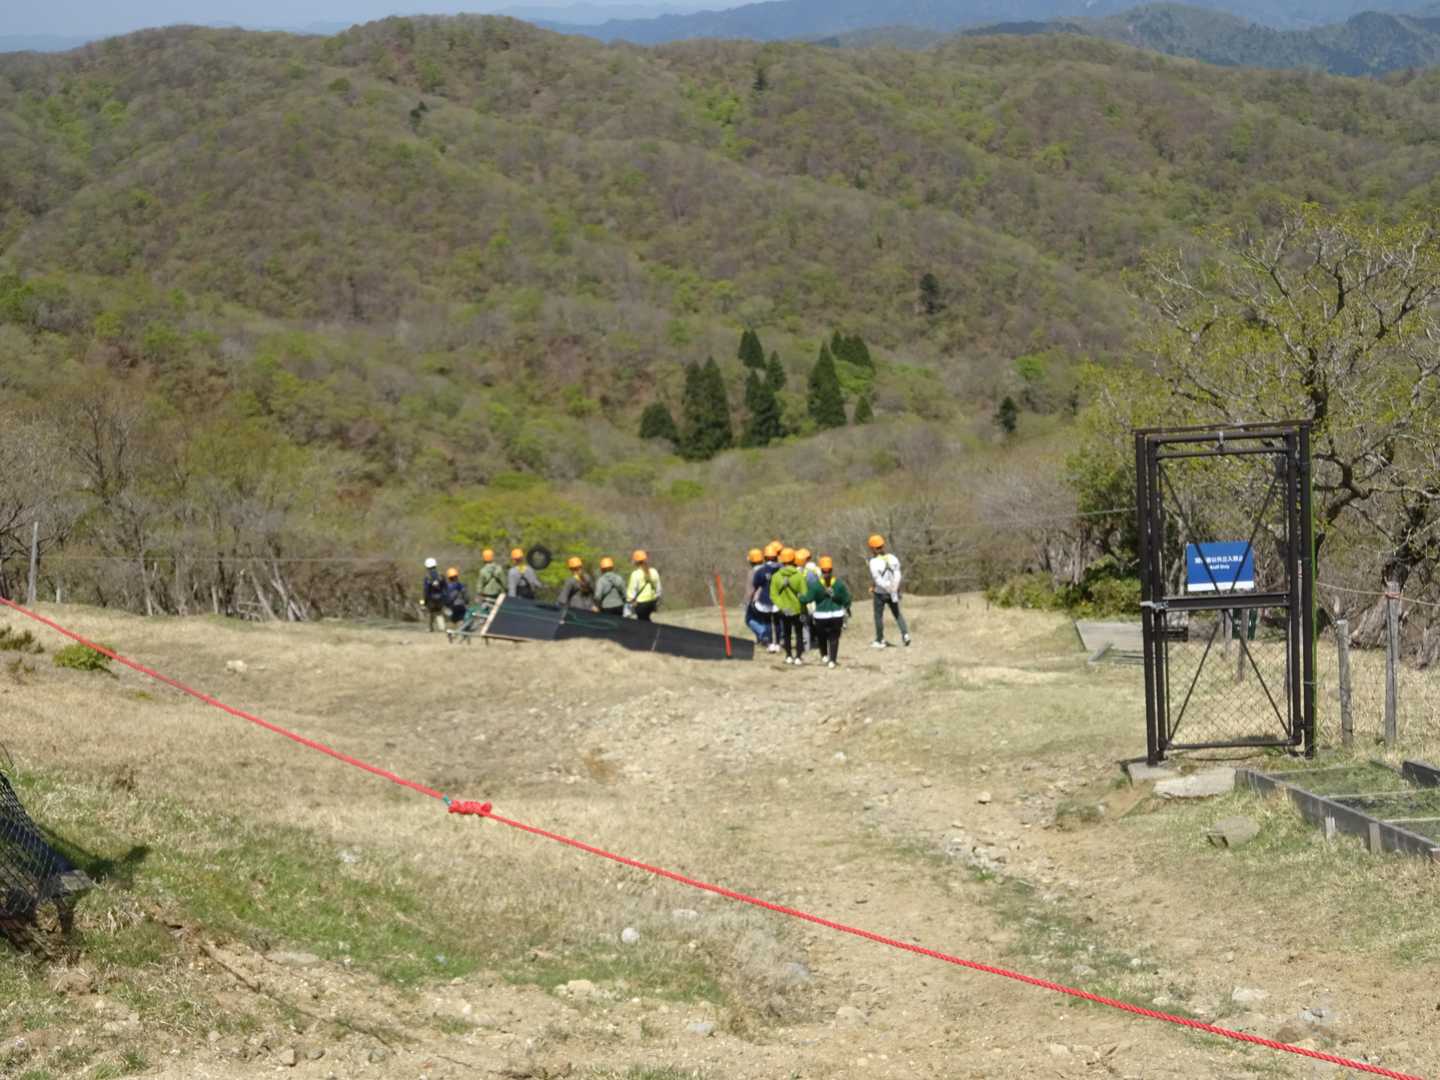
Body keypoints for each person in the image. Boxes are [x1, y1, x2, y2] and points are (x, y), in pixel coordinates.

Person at [803, 556, 852, 669]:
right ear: (832, 570)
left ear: (820, 570)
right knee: (834, 638)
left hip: (820, 616)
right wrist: (845, 606)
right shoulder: (838, 584)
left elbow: (808, 599)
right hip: (836, 615)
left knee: (822, 637)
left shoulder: (816, 585)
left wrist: (800, 597)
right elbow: (846, 600)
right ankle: (832, 660)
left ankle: (824, 655)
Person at [868, 534, 911, 648]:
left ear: (873, 548)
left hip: (880, 593)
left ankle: (879, 639)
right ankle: (905, 634)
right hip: (893, 592)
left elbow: (878, 579)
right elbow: (897, 573)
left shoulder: (873, 562)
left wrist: (887, 587)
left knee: (878, 616)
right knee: (897, 614)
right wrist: (894, 587)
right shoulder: (892, 558)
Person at [769, 547, 810, 665]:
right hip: (798, 609)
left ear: (782, 560)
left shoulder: (776, 576)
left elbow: (773, 595)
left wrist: (782, 606)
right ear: (794, 560)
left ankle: (788, 656)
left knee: (786, 634)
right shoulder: (799, 576)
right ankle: (798, 657)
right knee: (799, 633)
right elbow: (805, 595)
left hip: (784, 610)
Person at [752, 542, 783, 654]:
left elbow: (756, 584)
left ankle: (770, 644)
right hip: (778, 599)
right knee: (778, 622)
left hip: (765, 599)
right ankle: (778, 643)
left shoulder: (761, 570)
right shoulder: (781, 569)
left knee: (767, 622)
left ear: (765, 557)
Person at [743, 548, 772, 646]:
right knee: (764, 620)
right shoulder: (768, 569)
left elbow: (750, 590)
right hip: (769, 599)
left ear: (751, 561)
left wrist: (746, 602)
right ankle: (762, 639)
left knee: (749, 619)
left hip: (756, 601)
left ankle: (764, 635)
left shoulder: (752, 572)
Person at [796, 546, 820, 653]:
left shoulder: (794, 572)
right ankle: (815, 641)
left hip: (799, 601)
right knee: (813, 623)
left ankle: (805, 646)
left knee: (803, 624)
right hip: (812, 601)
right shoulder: (813, 570)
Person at [627, 550, 662, 622]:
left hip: (641, 604)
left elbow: (631, 592)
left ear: (636, 562)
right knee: (646, 620)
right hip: (652, 602)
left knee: (642, 622)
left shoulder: (635, 574)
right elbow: (659, 589)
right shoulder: (654, 571)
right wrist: (656, 598)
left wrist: (630, 602)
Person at [421, 557, 447, 633]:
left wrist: (425, 601)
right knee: (439, 613)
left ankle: (430, 628)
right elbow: (445, 587)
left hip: (431, 598)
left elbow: (426, 590)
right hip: (440, 598)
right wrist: (445, 598)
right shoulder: (441, 575)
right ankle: (442, 628)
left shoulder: (427, 577)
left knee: (430, 613)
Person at [443, 567, 470, 634]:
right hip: (461, 606)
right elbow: (466, 597)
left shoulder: (447, 587)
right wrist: (466, 603)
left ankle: (451, 633)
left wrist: (446, 605)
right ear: (457, 576)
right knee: (461, 620)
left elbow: (446, 599)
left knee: (452, 621)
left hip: (452, 607)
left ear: (448, 577)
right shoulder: (461, 585)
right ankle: (461, 632)